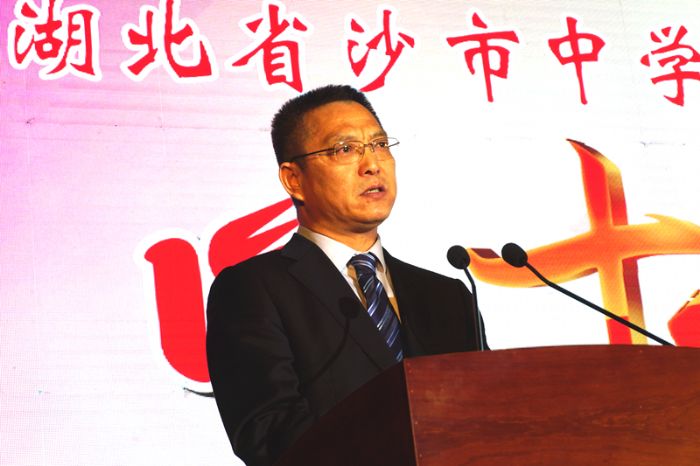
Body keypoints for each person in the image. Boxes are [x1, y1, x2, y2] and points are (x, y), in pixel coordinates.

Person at [206, 84, 485, 466]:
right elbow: (268, 431)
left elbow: (488, 416)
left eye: (380, 145)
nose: (372, 164)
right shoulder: (253, 289)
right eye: (345, 149)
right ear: (294, 179)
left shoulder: (448, 296)